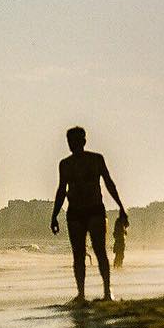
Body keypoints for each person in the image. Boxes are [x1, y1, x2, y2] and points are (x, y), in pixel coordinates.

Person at [50, 126, 127, 303]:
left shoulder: (96, 160)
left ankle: (107, 292)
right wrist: (54, 215)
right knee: (78, 254)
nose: (72, 144)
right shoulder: (65, 164)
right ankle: (81, 294)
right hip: (75, 212)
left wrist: (121, 207)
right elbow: (61, 190)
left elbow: (109, 183)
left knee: (100, 251)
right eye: (69, 141)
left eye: (75, 141)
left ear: (83, 141)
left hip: (95, 210)